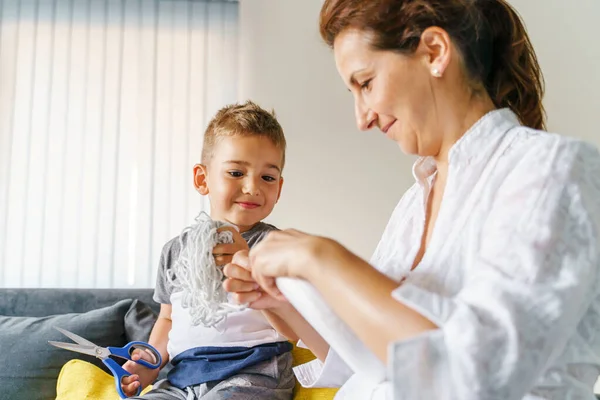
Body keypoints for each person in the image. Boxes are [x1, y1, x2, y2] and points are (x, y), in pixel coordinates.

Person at [222, 0, 600, 399]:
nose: (361, 118)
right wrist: (282, 305)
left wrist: (322, 258)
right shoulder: (413, 204)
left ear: (435, 52)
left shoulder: (553, 169)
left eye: (365, 83)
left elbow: (473, 377)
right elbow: (377, 359)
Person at [122, 100, 296, 399]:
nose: (253, 187)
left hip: (254, 373)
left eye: (267, 177)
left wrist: (250, 265)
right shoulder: (175, 252)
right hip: (182, 378)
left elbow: (296, 327)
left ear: (278, 189)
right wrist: (151, 363)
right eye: (236, 173)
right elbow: (168, 318)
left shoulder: (280, 248)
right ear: (203, 179)